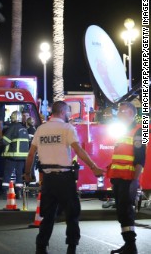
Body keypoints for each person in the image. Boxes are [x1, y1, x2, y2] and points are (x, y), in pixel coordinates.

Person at [24, 101, 105, 254]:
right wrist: (93, 167)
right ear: (62, 112)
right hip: (65, 179)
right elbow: (79, 150)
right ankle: (71, 247)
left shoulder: (41, 129)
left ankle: (41, 247)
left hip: (48, 180)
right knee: (72, 214)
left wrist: (27, 174)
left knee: (47, 216)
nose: (69, 115)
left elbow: (30, 154)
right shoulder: (67, 128)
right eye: (68, 112)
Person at [108, 102, 145, 254]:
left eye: (122, 111)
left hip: (128, 179)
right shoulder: (123, 131)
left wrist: (135, 181)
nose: (119, 114)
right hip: (118, 178)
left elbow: (140, 159)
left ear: (130, 113)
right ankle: (128, 244)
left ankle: (131, 245)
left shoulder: (139, 131)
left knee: (125, 212)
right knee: (121, 212)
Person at [1, 111, 30, 199]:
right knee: (19, 174)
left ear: (12, 118)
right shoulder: (24, 129)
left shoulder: (12, 128)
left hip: (12, 155)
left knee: (7, 174)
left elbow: (4, 141)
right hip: (22, 157)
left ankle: (4, 193)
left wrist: (0, 133)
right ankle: (19, 193)